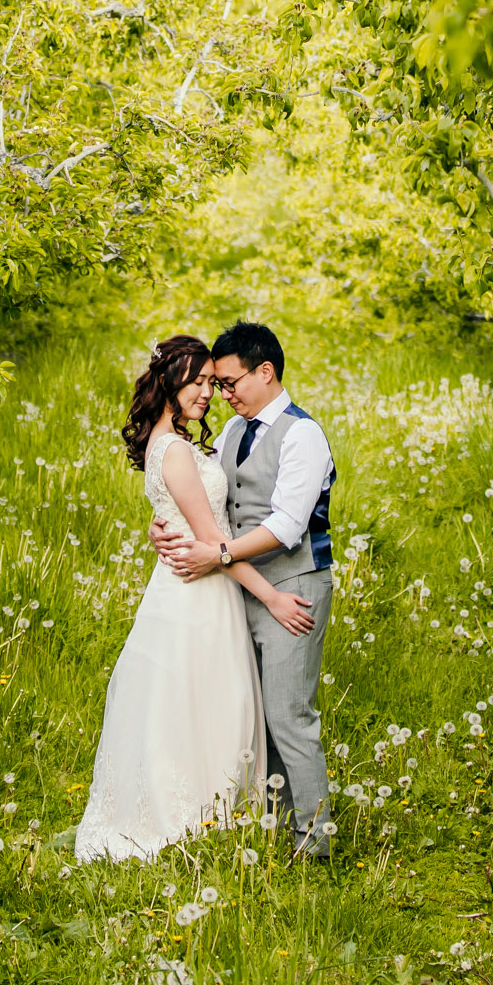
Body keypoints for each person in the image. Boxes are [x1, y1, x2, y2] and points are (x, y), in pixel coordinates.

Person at [74, 335, 314, 864]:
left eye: (214, 381)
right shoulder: (177, 451)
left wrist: (165, 530)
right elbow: (212, 543)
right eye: (199, 382)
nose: (209, 392)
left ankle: (216, 808)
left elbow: (193, 526)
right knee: (200, 698)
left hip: (199, 583)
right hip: (199, 591)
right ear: (169, 381)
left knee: (198, 697)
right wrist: (273, 597)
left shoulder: (173, 443)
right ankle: (194, 813)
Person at [152, 321, 337, 861]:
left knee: (289, 714)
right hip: (238, 590)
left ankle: (314, 841)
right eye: (218, 384)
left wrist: (221, 554)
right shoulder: (233, 431)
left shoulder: (303, 434)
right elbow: (205, 504)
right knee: (257, 715)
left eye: (231, 382)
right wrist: (165, 526)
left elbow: (286, 526)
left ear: (266, 372)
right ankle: (278, 825)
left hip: (292, 584)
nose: (222, 395)